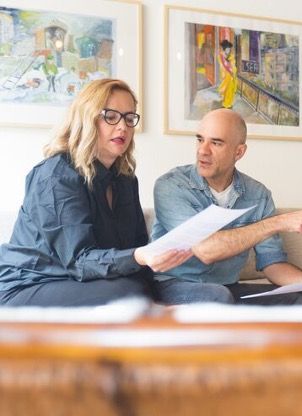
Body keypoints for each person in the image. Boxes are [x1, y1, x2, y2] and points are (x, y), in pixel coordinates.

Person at [0, 79, 192, 306]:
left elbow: (138, 246)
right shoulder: (55, 177)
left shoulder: (126, 179)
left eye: (129, 118)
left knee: (211, 296)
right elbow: (79, 261)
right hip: (32, 284)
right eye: (111, 116)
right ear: (87, 119)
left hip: (97, 282)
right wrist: (139, 257)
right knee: (128, 295)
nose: (123, 127)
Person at [152, 108, 302, 305]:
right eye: (199, 139)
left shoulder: (258, 195)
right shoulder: (171, 186)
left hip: (225, 287)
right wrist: (278, 222)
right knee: (218, 296)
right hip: (171, 285)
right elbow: (207, 250)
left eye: (216, 142)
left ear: (238, 152)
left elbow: (272, 264)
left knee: (297, 298)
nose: (202, 150)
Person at [218, 39, 238, 109]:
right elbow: (223, 66)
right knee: (226, 89)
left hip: (231, 76)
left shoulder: (231, 56)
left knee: (231, 90)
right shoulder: (221, 56)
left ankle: (229, 103)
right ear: (224, 49)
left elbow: (233, 65)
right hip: (226, 76)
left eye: (229, 49)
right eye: (227, 49)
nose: (228, 51)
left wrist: (232, 70)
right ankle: (226, 103)